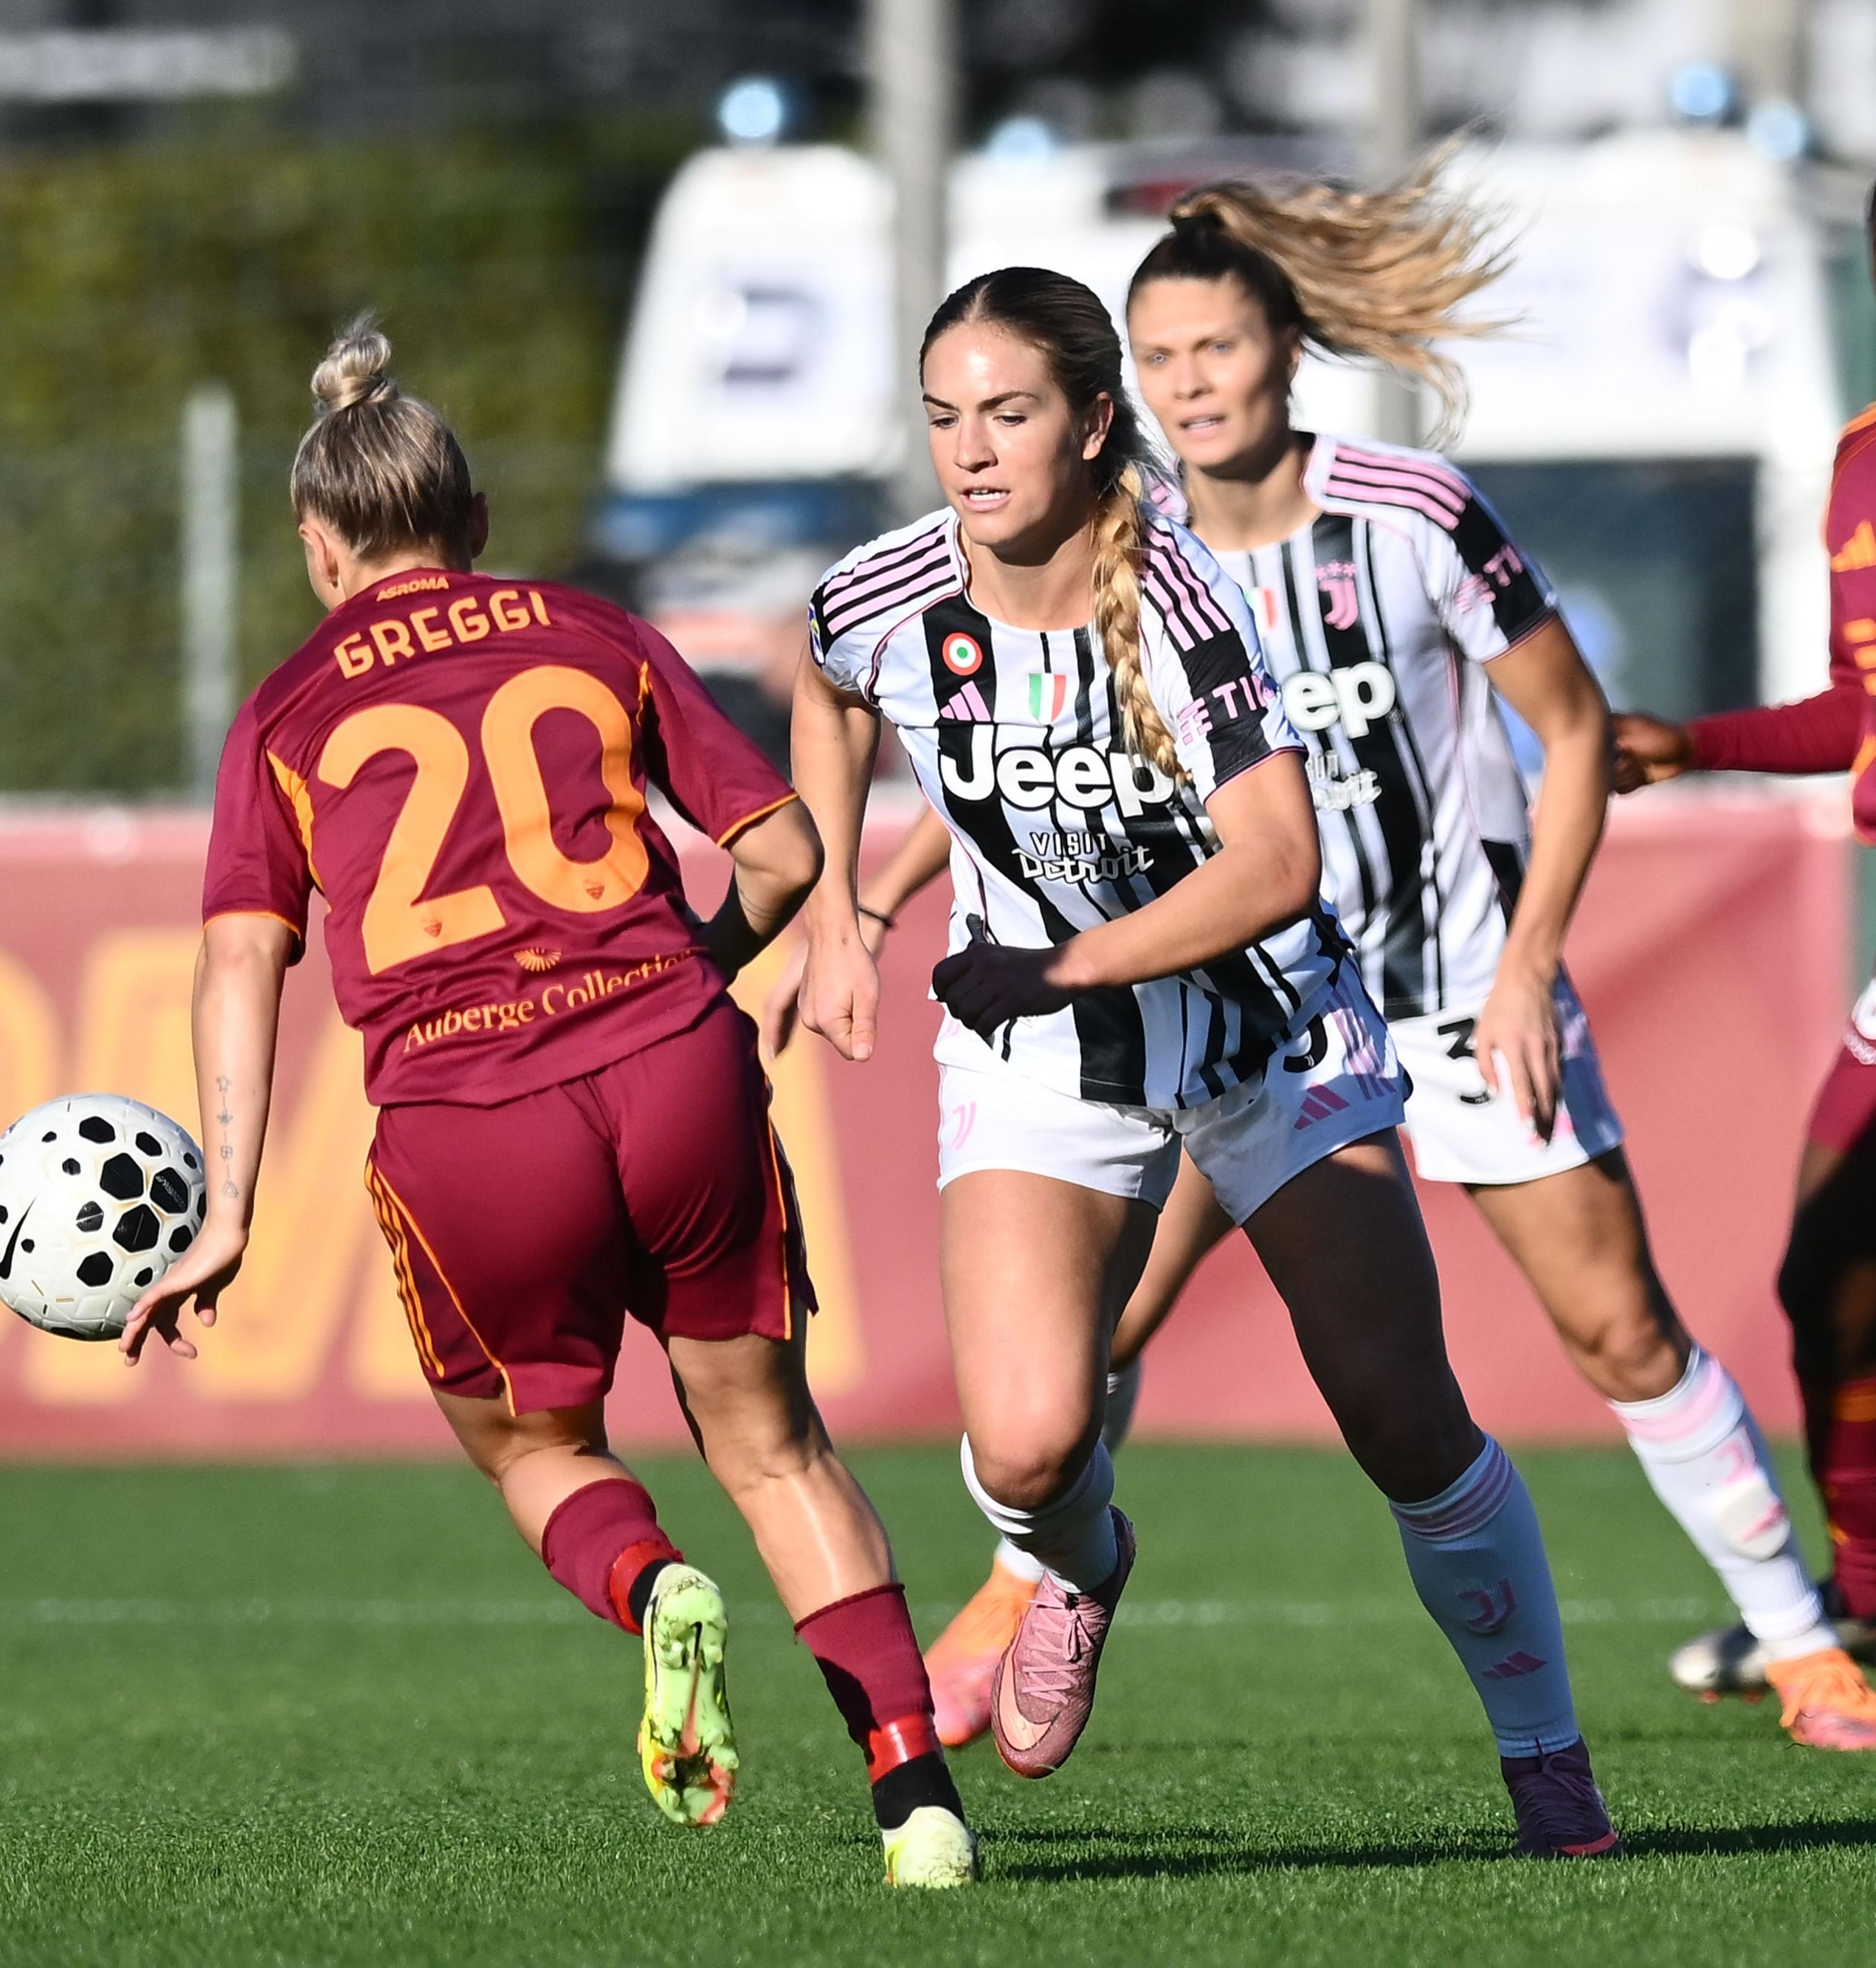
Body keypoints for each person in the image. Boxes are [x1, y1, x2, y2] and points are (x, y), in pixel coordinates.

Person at [782, 161, 1876, 1760]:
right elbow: (1039, 768)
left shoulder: (1407, 515)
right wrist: (868, 895)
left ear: (1284, 356)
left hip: (1434, 989)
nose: (1187, 385)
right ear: (1120, 392)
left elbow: (1568, 730)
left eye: (1213, 352)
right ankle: (1032, 1583)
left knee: (1617, 1332)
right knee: (1080, 1351)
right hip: (1229, 1017)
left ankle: (1801, 1649)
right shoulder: (1108, 555)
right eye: (1159, 359)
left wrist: (1526, 972)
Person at [117, 320, 977, 1890]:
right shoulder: (593, 631)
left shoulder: (289, 709)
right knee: (774, 1442)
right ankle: (917, 1801)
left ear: (319, 549)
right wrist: (684, 980)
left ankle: (653, 1591)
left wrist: (225, 1205)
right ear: (479, 520)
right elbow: (786, 859)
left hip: (469, 1117)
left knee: (537, 1448)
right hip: (670, 1062)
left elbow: (244, 956)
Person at [791, 264, 1620, 1856]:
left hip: (1269, 1041)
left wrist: (1066, 953)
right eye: (943, 417)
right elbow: (822, 686)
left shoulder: (1179, 593)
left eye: (1010, 413)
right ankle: (1083, 1560)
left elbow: (1274, 861)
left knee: (1401, 1415)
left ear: (1095, 424)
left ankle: (1545, 1757)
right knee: (1030, 1447)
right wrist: (833, 903)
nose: (969, 450)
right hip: (1048, 1059)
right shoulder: (886, 591)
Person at [1614, 179, 1876, 1702]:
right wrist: (1692, 738)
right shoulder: (1857, 464)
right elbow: (1860, 703)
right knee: (1828, 1274)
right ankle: (1854, 1606)